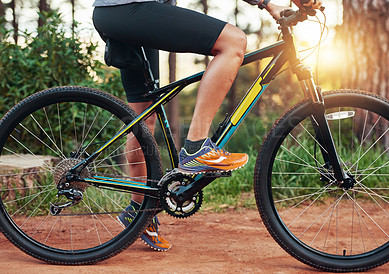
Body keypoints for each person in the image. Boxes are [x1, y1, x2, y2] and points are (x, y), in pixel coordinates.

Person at [92, 0, 322, 252]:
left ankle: (139, 211)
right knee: (233, 41)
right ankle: (195, 147)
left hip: (118, 12)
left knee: (144, 118)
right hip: (130, 8)